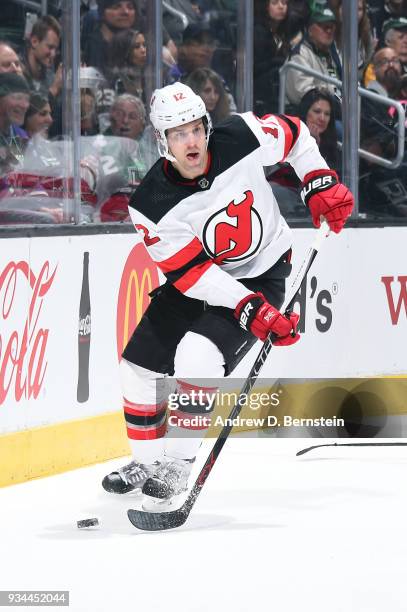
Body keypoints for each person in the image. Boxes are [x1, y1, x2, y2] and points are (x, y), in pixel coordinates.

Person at [102, 82, 353, 506]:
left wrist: (318, 179)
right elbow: (191, 272)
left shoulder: (242, 135)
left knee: (197, 356)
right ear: (163, 142)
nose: (192, 141)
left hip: (263, 273)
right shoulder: (150, 202)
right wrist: (246, 308)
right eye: (179, 134)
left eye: (196, 128)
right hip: (201, 278)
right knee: (136, 366)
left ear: (207, 125)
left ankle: (178, 465)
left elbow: (295, 134)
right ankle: (145, 462)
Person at [285, 5, 342, 109]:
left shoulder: (333, 54)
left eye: (332, 27)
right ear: (310, 29)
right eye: (324, 26)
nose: (329, 31)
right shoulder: (300, 54)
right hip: (310, 116)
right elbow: (303, 94)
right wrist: (336, 105)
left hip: (335, 112)